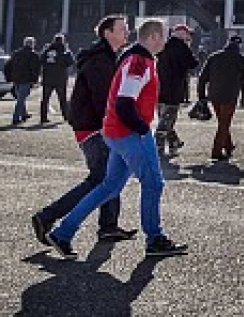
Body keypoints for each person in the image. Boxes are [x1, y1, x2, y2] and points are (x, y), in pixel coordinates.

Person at [44, 18, 188, 259]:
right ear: (153, 37)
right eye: (164, 35)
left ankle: (63, 232)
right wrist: (142, 130)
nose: (166, 40)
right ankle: (155, 239)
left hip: (115, 133)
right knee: (153, 183)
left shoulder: (133, 58)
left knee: (109, 187)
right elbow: (124, 101)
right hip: (128, 134)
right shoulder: (140, 62)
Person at [31, 16, 135, 247]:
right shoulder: (100, 61)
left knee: (110, 177)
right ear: (108, 33)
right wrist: (120, 125)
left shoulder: (107, 57)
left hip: (96, 126)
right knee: (101, 180)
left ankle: (108, 226)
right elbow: (104, 99)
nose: (127, 32)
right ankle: (47, 216)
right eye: (123, 29)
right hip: (94, 128)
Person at [197, 34, 244, 163]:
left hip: (214, 94)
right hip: (229, 94)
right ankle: (216, 151)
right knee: (224, 123)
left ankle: (228, 146)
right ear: (239, 45)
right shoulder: (241, 58)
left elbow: (202, 77)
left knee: (222, 121)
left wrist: (201, 95)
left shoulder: (214, 57)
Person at [155, 24, 199, 158]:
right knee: (167, 120)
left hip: (158, 89)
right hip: (174, 90)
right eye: (187, 34)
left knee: (164, 118)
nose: (189, 37)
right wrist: (189, 48)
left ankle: (174, 142)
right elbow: (193, 64)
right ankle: (158, 148)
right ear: (181, 34)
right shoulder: (181, 47)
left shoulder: (161, 46)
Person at [3, 37, 43, 126]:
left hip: (16, 78)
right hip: (26, 79)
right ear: (32, 44)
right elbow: (35, 69)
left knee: (20, 97)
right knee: (21, 99)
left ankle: (24, 114)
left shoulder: (16, 53)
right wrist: (34, 80)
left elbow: (8, 66)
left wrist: (9, 77)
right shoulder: (33, 55)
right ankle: (16, 118)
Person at [38, 34, 74, 125]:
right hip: (60, 78)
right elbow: (70, 62)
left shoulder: (47, 50)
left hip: (48, 77)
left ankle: (43, 117)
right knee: (62, 98)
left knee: (45, 99)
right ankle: (65, 115)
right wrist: (68, 51)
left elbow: (41, 60)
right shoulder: (64, 50)